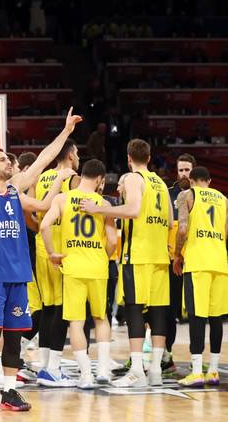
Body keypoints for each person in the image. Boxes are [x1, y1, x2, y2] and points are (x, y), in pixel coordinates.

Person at [0, 100, 82, 411]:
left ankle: (9, 391)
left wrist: (65, 131)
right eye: (2, 159)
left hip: (19, 274)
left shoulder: (15, 189)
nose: (9, 162)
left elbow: (45, 158)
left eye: (10, 159)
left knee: (13, 338)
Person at [81, 138, 172, 388]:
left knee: (133, 309)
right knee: (157, 312)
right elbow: (171, 221)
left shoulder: (133, 178)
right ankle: (155, 371)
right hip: (159, 256)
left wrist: (99, 209)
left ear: (129, 158)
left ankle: (137, 373)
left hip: (138, 254)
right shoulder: (162, 184)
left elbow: (132, 210)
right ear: (150, 158)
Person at [40, 159, 117, 389]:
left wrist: (53, 252)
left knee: (76, 321)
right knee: (101, 318)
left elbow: (44, 226)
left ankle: (85, 375)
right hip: (98, 266)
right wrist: (102, 255)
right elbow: (113, 240)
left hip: (72, 266)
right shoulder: (104, 203)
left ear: (82, 175)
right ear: (100, 180)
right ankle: (103, 369)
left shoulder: (62, 198)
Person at [31, 138, 81, 387]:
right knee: (61, 310)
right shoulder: (72, 177)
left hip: (42, 248)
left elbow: (32, 213)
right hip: (62, 251)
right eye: (78, 153)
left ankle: (44, 367)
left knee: (48, 309)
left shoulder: (41, 178)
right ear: (70, 155)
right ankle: (54, 368)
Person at [173, 166, 227, 387]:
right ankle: (213, 370)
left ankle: (196, 371)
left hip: (197, 262)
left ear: (192, 180)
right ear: (210, 180)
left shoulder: (188, 195)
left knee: (196, 316)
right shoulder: (223, 199)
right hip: (220, 262)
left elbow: (183, 229)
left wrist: (177, 254)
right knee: (216, 318)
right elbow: (225, 233)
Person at [164, 153, 195, 372]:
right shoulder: (167, 195)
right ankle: (167, 355)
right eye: (181, 170)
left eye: (187, 170)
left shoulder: (201, 196)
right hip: (171, 261)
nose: (183, 174)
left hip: (195, 260)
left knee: (197, 311)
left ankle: (199, 361)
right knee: (170, 310)